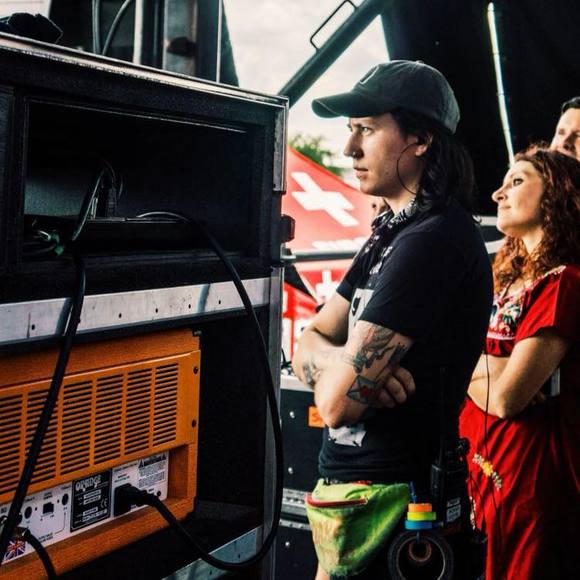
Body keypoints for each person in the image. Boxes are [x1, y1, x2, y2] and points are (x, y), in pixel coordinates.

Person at [292, 60, 493, 579]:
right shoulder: (390, 233)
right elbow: (308, 340)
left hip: (399, 516)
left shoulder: (432, 241)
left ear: (421, 139)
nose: (349, 149)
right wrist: (346, 364)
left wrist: (344, 375)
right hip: (356, 507)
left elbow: (336, 405)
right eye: (350, 129)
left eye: (366, 128)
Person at [459, 147, 580, 580]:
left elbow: (508, 397)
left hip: (529, 485)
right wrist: (490, 366)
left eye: (517, 181)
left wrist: (463, 363)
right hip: (477, 473)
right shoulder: (505, 279)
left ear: (557, 193)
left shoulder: (565, 282)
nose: (498, 194)